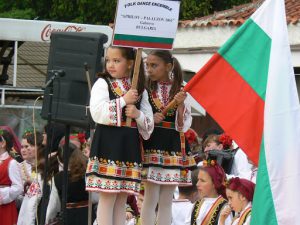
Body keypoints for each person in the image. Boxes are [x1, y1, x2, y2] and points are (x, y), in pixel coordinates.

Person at [85, 46, 154, 225]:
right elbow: (97, 113)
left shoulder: (139, 88)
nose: (111, 65)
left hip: (129, 145)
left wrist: (137, 114)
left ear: (131, 63)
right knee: (107, 197)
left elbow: (149, 125)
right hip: (108, 143)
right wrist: (123, 101)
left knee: (122, 198)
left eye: (117, 61)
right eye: (108, 60)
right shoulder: (102, 83)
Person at [141, 50, 196, 225]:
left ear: (169, 66)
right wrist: (151, 118)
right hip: (152, 144)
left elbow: (183, 125)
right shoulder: (145, 89)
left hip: (173, 146)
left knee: (166, 200)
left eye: (154, 65)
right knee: (150, 198)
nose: (149, 69)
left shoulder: (181, 90)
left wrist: (180, 106)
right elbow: (140, 117)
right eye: (147, 65)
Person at [46, 143, 89, 225]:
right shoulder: (87, 173)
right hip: (87, 216)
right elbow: (95, 198)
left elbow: (54, 205)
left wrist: (47, 219)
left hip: (68, 217)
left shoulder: (57, 178)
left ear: (60, 160)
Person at [185, 160, 231, 225]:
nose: (197, 184)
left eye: (202, 181)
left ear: (215, 184)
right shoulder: (196, 205)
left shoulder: (225, 208)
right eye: (198, 180)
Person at [0, 128, 23, 225]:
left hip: (5, 207)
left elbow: (18, 187)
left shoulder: (12, 163)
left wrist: (1, 195)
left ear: (3, 143)